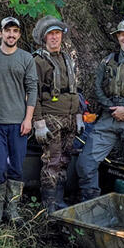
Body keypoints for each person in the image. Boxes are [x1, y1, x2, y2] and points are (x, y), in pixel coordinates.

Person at [76, 19, 124, 200]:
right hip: (109, 116)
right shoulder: (107, 61)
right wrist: (112, 109)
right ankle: (90, 202)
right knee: (86, 162)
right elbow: (98, 89)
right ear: (118, 37)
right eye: (123, 35)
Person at [0, 16, 38, 225]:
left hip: (18, 123)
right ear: (0, 33)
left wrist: (28, 119)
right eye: (7, 30)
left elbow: (32, 89)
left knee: (16, 167)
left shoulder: (26, 58)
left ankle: (12, 207)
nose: (11, 34)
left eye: (15, 31)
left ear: (19, 35)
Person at [31, 16, 84, 213]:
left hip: (69, 118)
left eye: (57, 33)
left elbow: (74, 90)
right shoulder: (38, 61)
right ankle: (50, 205)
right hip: (51, 119)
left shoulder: (67, 58)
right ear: (44, 38)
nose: (54, 37)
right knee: (52, 161)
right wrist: (39, 122)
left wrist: (78, 115)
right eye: (50, 34)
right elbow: (33, 93)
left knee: (64, 160)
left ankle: (60, 200)